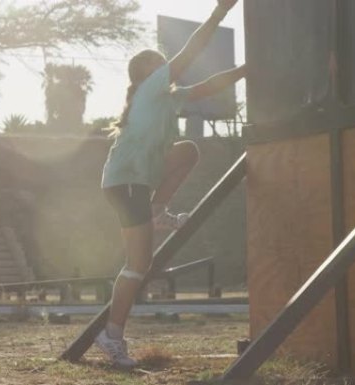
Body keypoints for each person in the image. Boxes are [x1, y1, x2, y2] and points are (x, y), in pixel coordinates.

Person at [95, 0, 246, 368]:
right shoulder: (150, 88)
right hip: (127, 182)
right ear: (146, 73)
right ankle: (112, 337)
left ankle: (158, 211)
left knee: (187, 151)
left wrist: (245, 70)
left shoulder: (167, 97)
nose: (165, 65)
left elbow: (207, 86)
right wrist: (218, 13)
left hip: (137, 183)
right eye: (158, 62)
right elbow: (190, 53)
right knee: (137, 265)